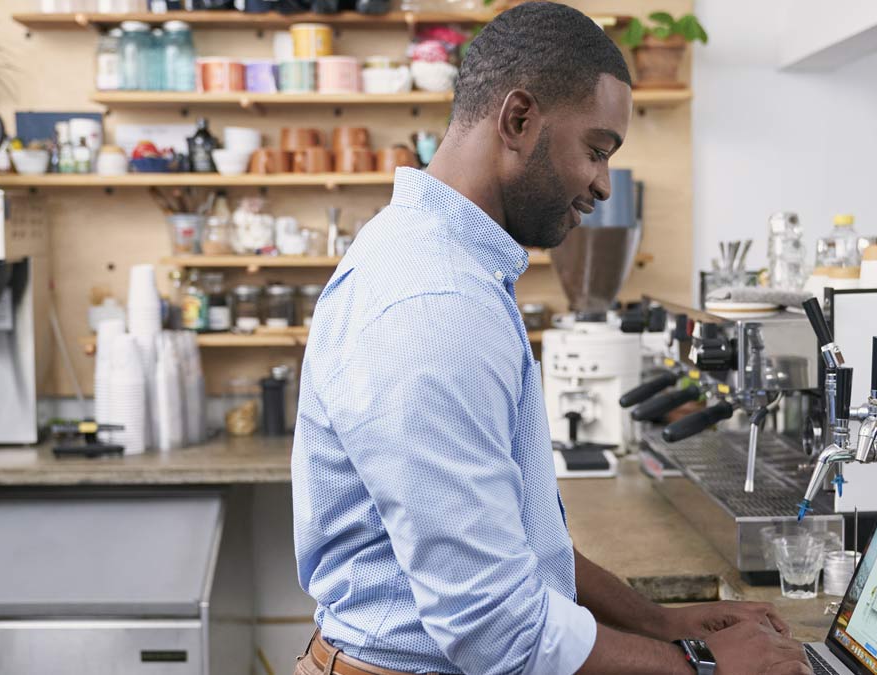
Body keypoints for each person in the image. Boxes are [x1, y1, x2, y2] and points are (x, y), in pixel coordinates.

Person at [291, 3, 812, 674]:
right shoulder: (434, 302)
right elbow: (494, 626)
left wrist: (661, 621)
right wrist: (704, 667)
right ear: (518, 119)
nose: (601, 182)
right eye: (596, 150)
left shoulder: (456, 267)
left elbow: (522, 546)